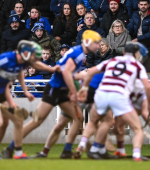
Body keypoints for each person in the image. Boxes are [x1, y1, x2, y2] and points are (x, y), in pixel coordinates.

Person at [3, 30, 102, 159]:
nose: (98, 46)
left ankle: (66, 151)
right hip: (54, 89)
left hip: (61, 90)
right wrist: (73, 92)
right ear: (88, 42)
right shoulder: (78, 53)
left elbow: (68, 73)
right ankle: (10, 148)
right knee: (37, 121)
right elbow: (66, 73)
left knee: (78, 118)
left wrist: (82, 76)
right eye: (96, 43)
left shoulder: (79, 52)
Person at [76, 42, 150, 161]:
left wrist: (84, 89)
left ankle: (89, 147)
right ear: (137, 54)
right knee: (137, 128)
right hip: (119, 95)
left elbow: (90, 72)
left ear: (124, 52)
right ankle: (136, 156)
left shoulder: (113, 60)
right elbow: (147, 87)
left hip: (101, 93)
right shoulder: (137, 66)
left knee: (95, 121)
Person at [0, 40, 60, 159]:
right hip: (3, 92)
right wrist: (11, 102)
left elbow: (20, 74)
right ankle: (17, 153)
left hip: (2, 92)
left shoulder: (22, 61)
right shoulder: (5, 60)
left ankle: (16, 153)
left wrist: (25, 91)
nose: (34, 58)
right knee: (12, 121)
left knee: (7, 123)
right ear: (26, 53)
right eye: (33, 55)